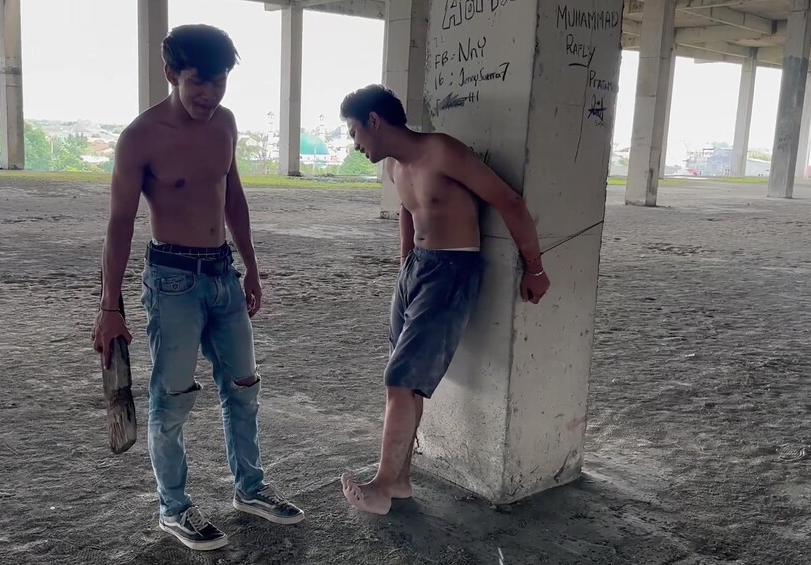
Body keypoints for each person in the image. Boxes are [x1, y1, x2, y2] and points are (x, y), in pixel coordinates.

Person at [91, 24, 304, 552]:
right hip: (172, 280)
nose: (209, 94)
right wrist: (109, 307)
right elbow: (119, 222)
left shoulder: (225, 123)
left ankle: (250, 488)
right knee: (172, 398)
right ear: (171, 74)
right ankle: (174, 508)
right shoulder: (141, 137)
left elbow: (234, 198)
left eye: (220, 81)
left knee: (244, 387)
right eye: (198, 82)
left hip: (223, 273)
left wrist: (251, 267)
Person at [337, 84, 551, 515]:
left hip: (452, 270)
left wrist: (534, 267)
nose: (354, 143)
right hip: (415, 271)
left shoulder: (441, 152)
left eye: (354, 131)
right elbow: (408, 209)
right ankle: (399, 481)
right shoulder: (395, 166)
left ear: (374, 121)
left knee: (400, 378)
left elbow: (508, 200)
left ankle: (382, 485)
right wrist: (405, 264)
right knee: (406, 378)